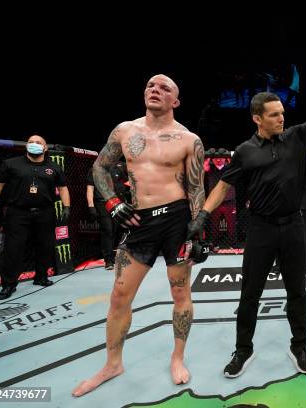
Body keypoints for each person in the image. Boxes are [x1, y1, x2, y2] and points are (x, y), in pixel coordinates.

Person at [187, 82, 306, 378]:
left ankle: (299, 347)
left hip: (293, 226)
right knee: (250, 293)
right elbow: (223, 185)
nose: (281, 118)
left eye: (282, 113)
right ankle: (243, 349)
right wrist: (201, 217)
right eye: (274, 115)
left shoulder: (297, 137)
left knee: (297, 291)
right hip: (261, 228)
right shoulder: (245, 151)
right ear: (257, 119)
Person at [72, 74, 205, 397]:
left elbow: (196, 187)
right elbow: (100, 167)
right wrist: (114, 202)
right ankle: (112, 363)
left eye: (164, 88)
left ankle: (177, 358)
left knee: (180, 295)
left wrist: (198, 231)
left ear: (176, 101)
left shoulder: (189, 140)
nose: (155, 90)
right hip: (138, 221)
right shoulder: (124, 131)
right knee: (119, 297)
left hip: (176, 220)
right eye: (150, 86)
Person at [0, 135, 70, 300]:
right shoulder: (11, 164)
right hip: (18, 212)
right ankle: (9, 284)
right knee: (13, 249)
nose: (34, 144)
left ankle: (41, 277)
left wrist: (67, 206)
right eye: (31, 142)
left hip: (45, 212)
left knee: (45, 246)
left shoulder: (54, 167)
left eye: (38, 143)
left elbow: (63, 188)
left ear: (45, 148)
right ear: (26, 146)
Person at [86, 162, 130, 270]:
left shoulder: (118, 168)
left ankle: (114, 256)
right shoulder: (94, 170)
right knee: (107, 229)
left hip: (116, 202)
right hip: (101, 202)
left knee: (116, 229)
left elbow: (127, 182)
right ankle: (108, 260)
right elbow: (90, 189)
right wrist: (91, 206)